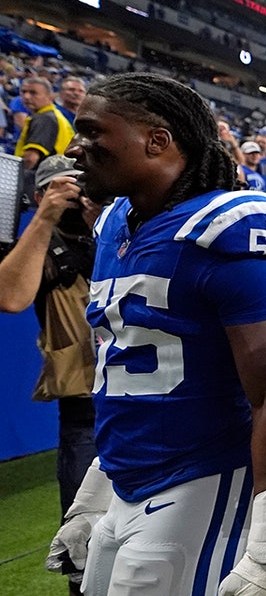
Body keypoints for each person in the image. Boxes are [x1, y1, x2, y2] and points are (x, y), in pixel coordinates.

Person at [49, 73, 266, 596]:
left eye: (92, 132)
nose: (76, 148)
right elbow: (126, 379)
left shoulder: (220, 228)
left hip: (202, 478)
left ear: (157, 140)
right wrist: (93, 497)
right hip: (127, 482)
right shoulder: (116, 224)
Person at [0, 155, 100, 595]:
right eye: (66, 187)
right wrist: (44, 217)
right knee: (85, 536)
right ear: (41, 193)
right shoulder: (42, 241)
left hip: (142, 396)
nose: (78, 195)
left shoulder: (112, 229)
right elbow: (11, 297)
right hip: (84, 406)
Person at [15, 76, 75, 171]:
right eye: (23, 92)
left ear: (49, 96)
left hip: (44, 179)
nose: (26, 96)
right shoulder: (56, 115)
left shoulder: (45, 118)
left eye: (33, 93)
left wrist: (15, 176)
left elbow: (30, 158)